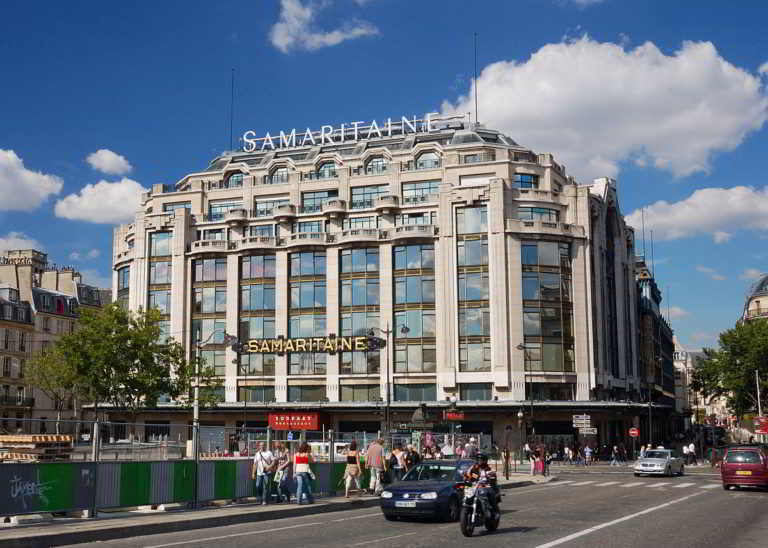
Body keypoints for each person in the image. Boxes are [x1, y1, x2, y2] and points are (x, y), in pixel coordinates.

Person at [463, 454, 499, 520]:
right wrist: (465, 478)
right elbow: (468, 474)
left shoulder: (489, 469)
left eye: (481, 460)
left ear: (485, 461)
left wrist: (491, 477)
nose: (479, 461)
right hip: (475, 486)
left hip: (486, 486)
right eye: (478, 460)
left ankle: (494, 511)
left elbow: (493, 476)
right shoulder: (473, 468)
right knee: (467, 493)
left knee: (489, 493)